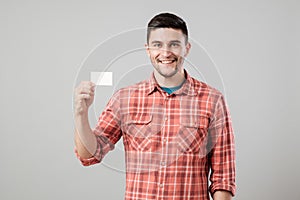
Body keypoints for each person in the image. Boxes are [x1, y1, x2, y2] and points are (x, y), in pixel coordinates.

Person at [74, 13, 236, 200]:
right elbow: (89, 155)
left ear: (187, 49)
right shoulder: (125, 98)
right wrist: (81, 114)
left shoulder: (212, 100)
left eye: (174, 44)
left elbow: (223, 176)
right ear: (148, 49)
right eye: (157, 45)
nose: (165, 53)